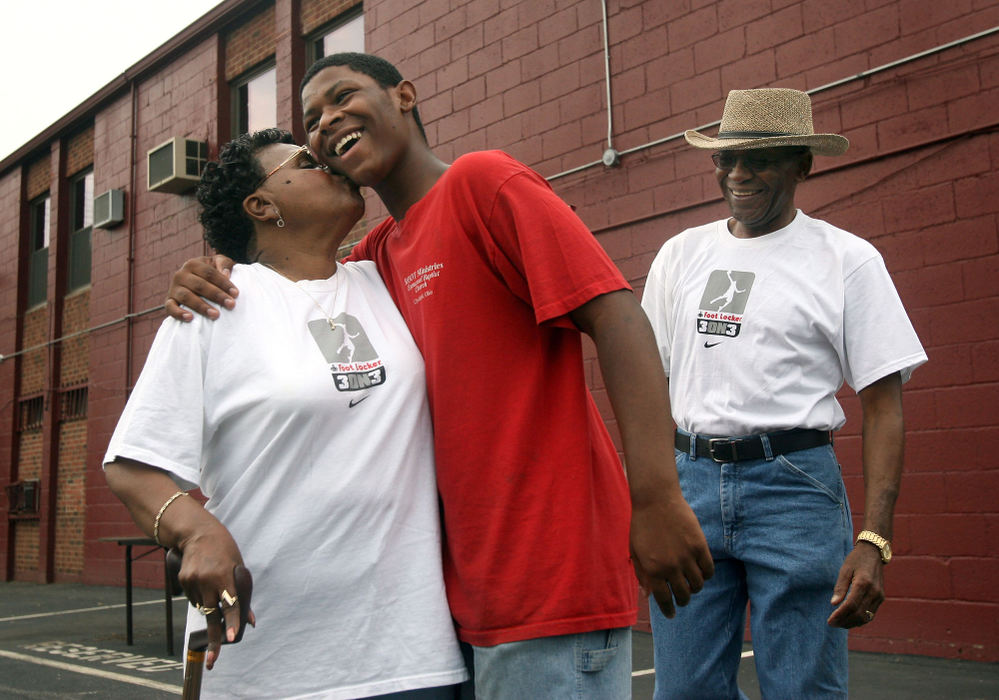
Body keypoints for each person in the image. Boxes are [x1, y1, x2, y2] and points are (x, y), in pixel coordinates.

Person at [165, 52, 714, 698]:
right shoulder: (375, 259)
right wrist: (220, 270)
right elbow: (293, 283)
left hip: (548, 588)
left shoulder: (482, 183)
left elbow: (617, 317)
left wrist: (655, 497)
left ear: (404, 94)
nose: (325, 123)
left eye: (343, 96)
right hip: (452, 608)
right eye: (311, 120)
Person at [104, 128, 467, 699]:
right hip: (268, 661)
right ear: (262, 204)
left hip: (409, 655)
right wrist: (196, 532)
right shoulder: (214, 303)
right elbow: (131, 464)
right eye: (305, 160)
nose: (326, 161)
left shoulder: (386, 277)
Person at [640, 88, 928, 699]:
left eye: (761, 159)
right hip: (688, 485)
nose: (738, 173)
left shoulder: (847, 260)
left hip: (795, 487)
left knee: (802, 689)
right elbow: (645, 386)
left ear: (803, 164)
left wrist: (874, 540)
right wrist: (648, 498)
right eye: (726, 159)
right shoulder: (680, 256)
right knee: (684, 691)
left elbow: (883, 407)